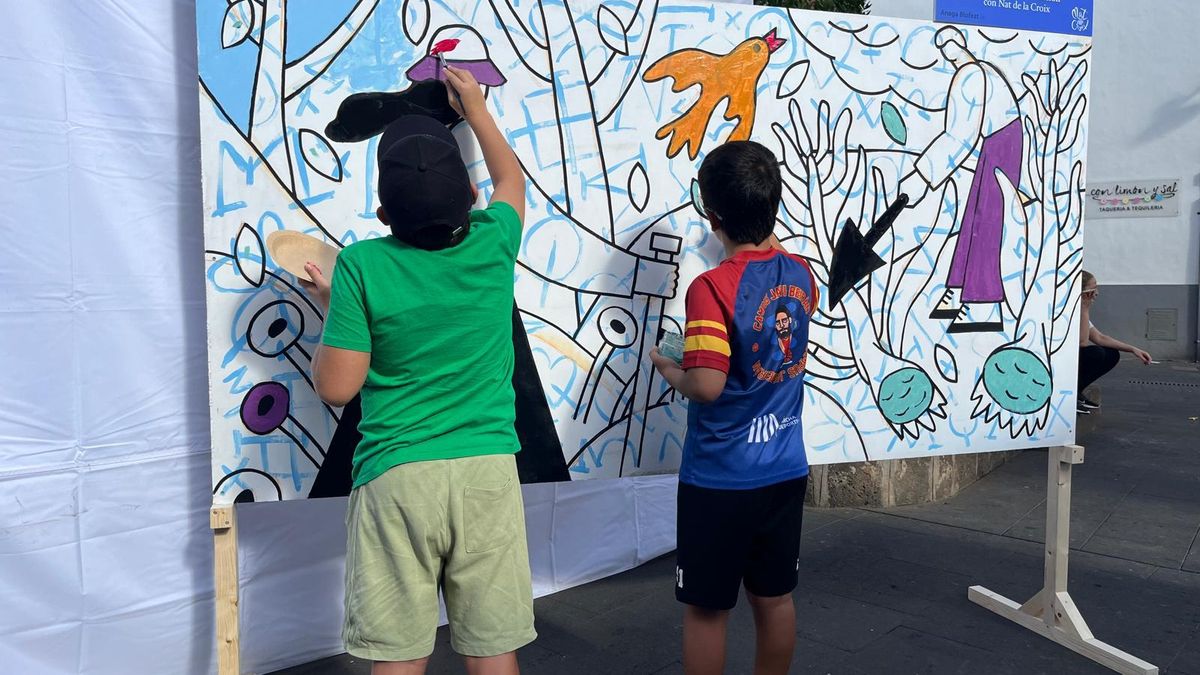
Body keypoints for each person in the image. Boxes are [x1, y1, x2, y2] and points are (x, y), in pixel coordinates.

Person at [302, 66, 535, 675]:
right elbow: (513, 180)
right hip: (487, 472)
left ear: (382, 212)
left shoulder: (360, 267)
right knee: (492, 650)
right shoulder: (494, 241)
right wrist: (477, 109)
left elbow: (337, 386)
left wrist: (337, 314)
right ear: (471, 199)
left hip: (398, 478)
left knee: (400, 655)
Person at [650, 140, 819, 675]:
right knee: (775, 599)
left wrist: (668, 367)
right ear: (775, 203)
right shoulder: (801, 273)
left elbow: (706, 385)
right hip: (785, 468)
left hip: (720, 479)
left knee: (706, 611)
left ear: (711, 214)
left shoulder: (711, 288)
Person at [904, 25, 1023, 334]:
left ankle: (983, 303)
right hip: (996, 142)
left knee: (987, 224)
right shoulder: (977, 71)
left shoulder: (971, 75)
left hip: (1001, 145)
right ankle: (958, 290)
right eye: (943, 49)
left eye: (949, 46)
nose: (948, 53)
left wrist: (923, 176)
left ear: (959, 44)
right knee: (974, 217)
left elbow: (960, 135)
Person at [1077, 270, 1152, 414]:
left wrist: (1133, 349)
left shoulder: (1081, 312)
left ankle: (1077, 390)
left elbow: (1099, 337)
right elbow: (1082, 343)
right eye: (1093, 290)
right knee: (1095, 353)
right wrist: (1085, 309)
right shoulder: (1072, 311)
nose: (1096, 294)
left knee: (1112, 354)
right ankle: (1072, 392)